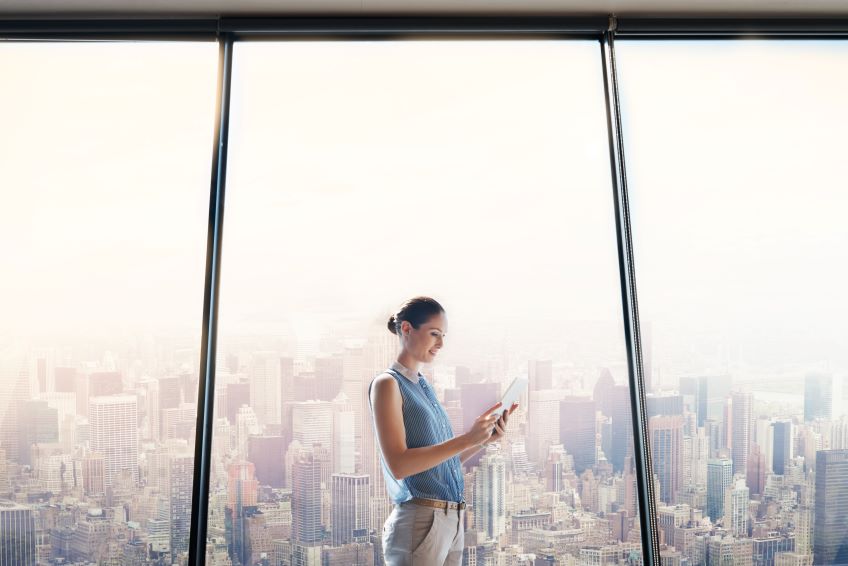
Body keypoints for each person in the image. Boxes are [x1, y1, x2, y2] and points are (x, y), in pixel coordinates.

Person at [368, 296, 518, 565]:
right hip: (421, 521)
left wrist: (481, 441)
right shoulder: (387, 384)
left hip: (452, 521)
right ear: (406, 329)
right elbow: (399, 465)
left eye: (443, 335)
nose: (441, 344)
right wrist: (466, 438)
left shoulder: (423, 385)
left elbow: (440, 464)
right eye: (434, 334)